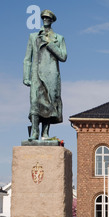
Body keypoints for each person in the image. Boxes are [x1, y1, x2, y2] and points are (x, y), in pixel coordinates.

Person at [23, 9, 67, 141]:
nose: (46, 20)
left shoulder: (58, 38)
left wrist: (50, 44)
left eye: (48, 18)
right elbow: (27, 58)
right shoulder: (33, 36)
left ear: (52, 20)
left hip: (52, 75)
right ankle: (34, 132)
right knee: (35, 102)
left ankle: (45, 133)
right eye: (44, 18)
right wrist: (26, 76)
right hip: (36, 74)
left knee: (50, 102)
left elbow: (63, 56)